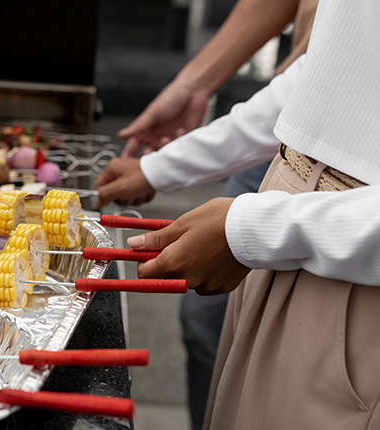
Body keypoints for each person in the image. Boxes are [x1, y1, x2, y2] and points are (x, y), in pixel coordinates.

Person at [95, 0, 380, 428]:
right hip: (288, 238)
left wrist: (255, 230)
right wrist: (164, 165)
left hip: (374, 270)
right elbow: (330, 69)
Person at [108, 1, 318, 428]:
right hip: (284, 140)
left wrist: (251, 230)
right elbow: (315, 75)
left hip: (353, 201)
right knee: (211, 324)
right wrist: (191, 90)